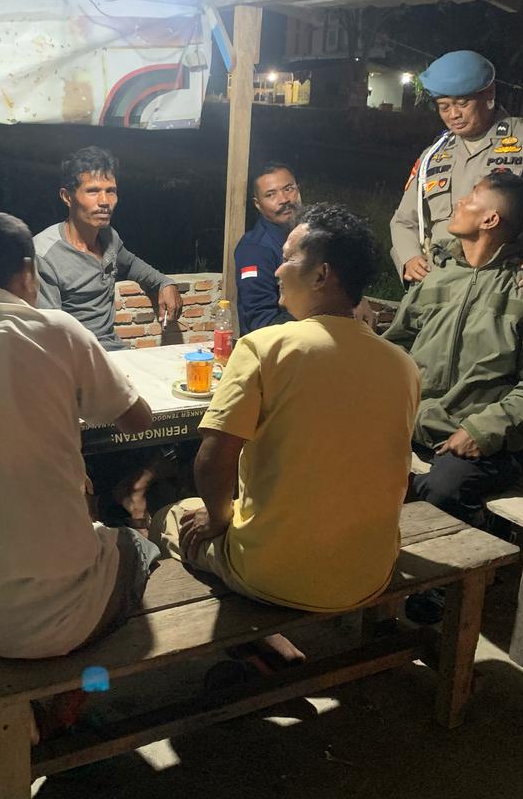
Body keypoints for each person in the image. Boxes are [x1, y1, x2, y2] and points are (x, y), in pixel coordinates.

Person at [152, 203, 419, 670]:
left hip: (271, 574)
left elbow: (211, 463)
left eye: (289, 258)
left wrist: (219, 517)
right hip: (370, 571)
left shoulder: (264, 347)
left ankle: (242, 642)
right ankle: (261, 636)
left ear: (322, 275)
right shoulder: (403, 364)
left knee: (168, 519)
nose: (276, 269)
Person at [0, 213, 158, 673]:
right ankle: (71, 692)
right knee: (137, 545)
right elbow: (138, 420)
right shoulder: (59, 330)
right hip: (55, 622)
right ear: (27, 271)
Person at [384, 173, 523, 623]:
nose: (458, 203)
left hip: (486, 442)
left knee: (443, 487)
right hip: (418, 426)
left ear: (490, 219)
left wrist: (482, 430)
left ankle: (446, 590)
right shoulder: (437, 278)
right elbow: (395, 349)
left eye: (470, 198)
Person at [390, 50, 523, 298]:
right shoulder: (433, 154)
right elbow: (404, 219)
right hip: (438, 287)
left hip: (506, 288)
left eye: (463, 103)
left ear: (489, 94)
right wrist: (409, 257)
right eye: (444, 106)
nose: (453, 115)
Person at [35, 146, 181, 349]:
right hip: (75, 358)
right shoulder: (45, 256)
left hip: (114, 350)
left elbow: (132, 265)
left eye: (110, 191)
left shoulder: (108, 237)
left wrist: (165, 283)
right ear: (67, 197)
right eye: (93, 191)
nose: (105, 201)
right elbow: (50, 339)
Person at [235, 162, 302, 331]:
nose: (284, 199)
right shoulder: (254, 249)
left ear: (299, 190)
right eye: (271, 194)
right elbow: (262, 320)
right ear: (258, 204)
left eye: (288, 189)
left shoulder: (313, 236)